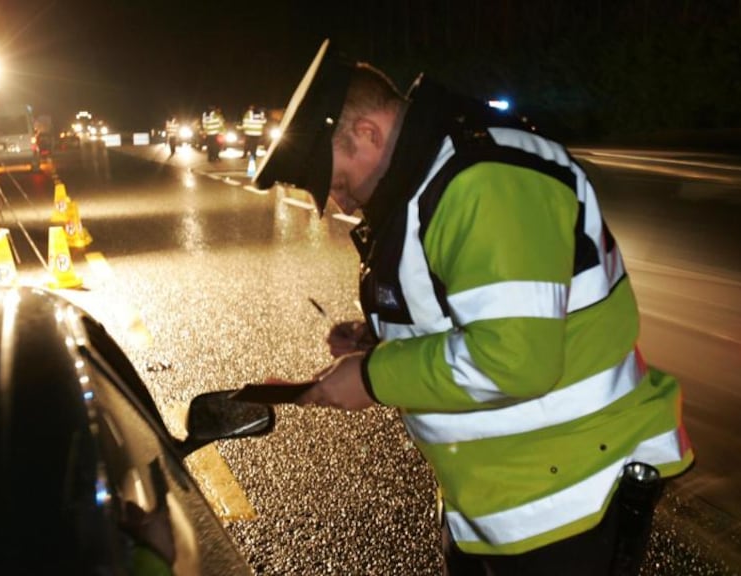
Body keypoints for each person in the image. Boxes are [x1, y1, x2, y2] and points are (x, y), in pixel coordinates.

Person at [254, 39, 695, 576]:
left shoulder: (485, 182)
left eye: (338, 184)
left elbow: (514, 360)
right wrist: (381, 343)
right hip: (508, 503)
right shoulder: (435, 179)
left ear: (367, 133)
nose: (340, 204)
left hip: (572, 499)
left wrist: (371, 377)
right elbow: (477, 311)